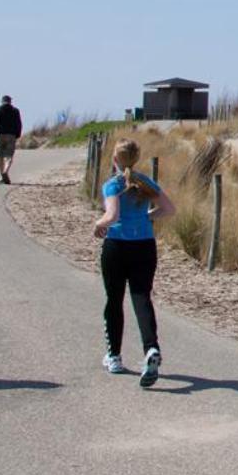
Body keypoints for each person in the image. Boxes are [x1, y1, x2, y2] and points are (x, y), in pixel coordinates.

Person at [91, 140, 174, 387]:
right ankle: (151, 349)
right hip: (145, 246)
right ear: (135, 159)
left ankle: (114, 356)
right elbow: (168, 209)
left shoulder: (113, 185)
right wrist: (147, 217)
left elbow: (112, 215)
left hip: (117, 245)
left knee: (114, 299)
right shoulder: (145, 182)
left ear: (115, 160)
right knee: (141, 298)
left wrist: (99, 224)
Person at [0, 95, 22, 185]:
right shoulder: (15, 111)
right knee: (9, 156)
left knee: (0, 156)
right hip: (11, 135)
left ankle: (2, 175)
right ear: (10, 101)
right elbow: (18, 123)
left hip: (0, 135)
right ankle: (5, 171)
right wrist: (18, 134)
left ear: (2, 101)